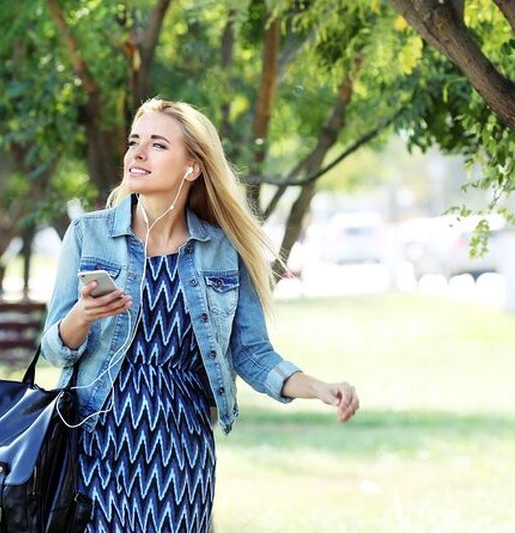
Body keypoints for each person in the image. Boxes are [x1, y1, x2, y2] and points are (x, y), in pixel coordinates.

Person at [40, 97, 360, 532]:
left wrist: (318, 387)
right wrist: (83, 315)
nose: (137, 153)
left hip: (180, 450)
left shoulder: (223, 250)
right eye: (135, 141)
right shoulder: (89, 235)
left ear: (192, 167)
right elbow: (54, 350)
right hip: (95, 439)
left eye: (157, 145)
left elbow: (252, 353)